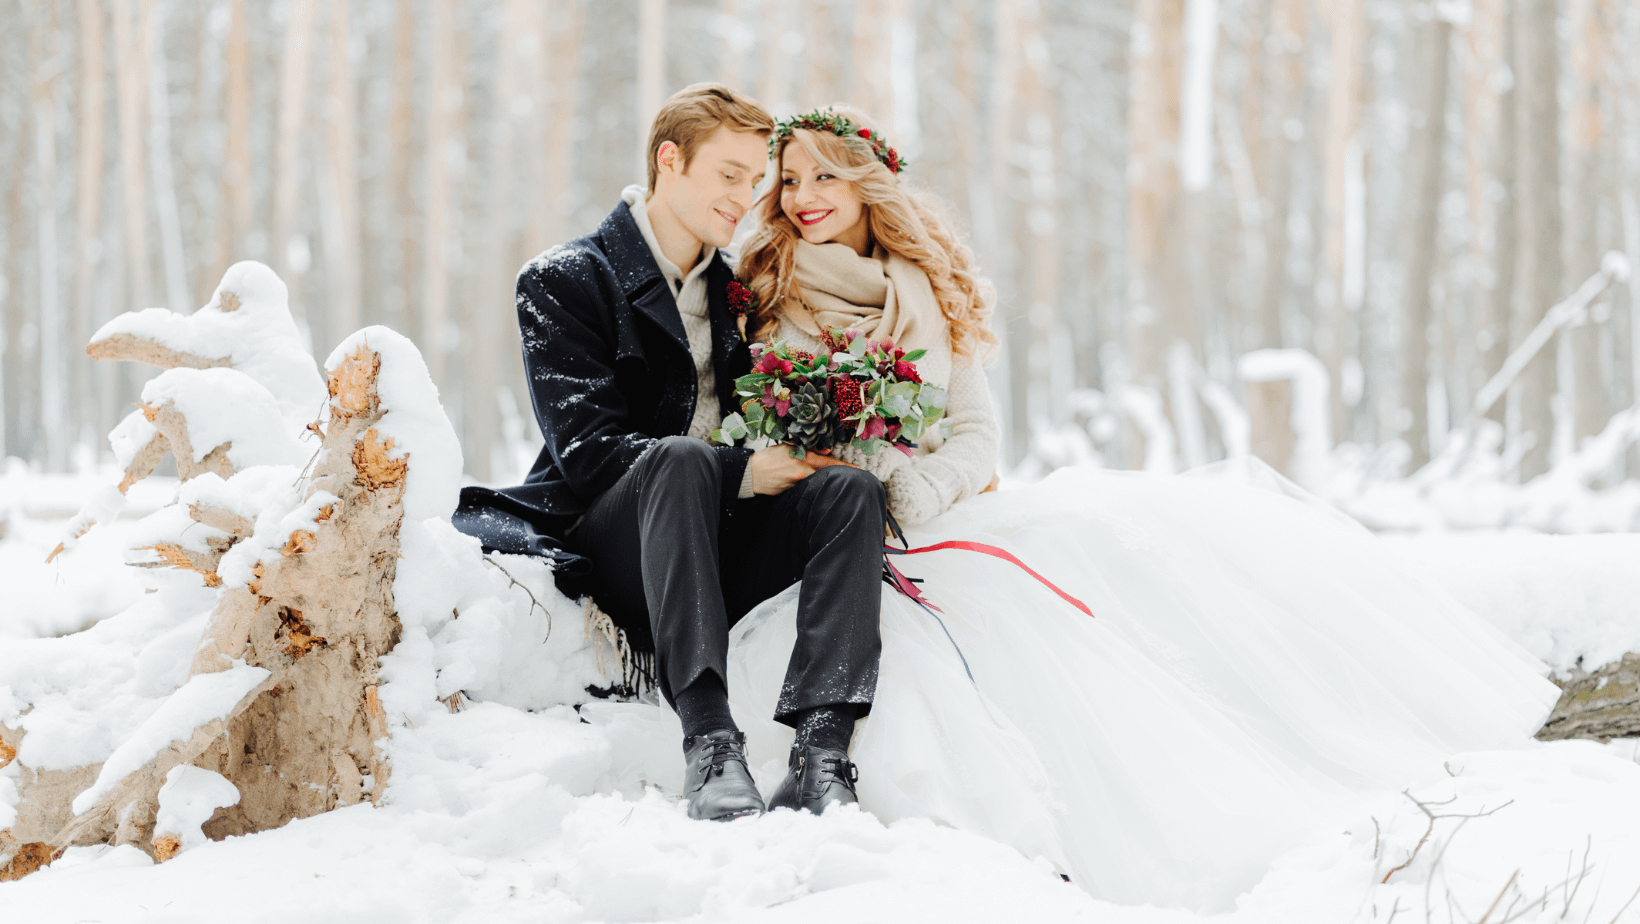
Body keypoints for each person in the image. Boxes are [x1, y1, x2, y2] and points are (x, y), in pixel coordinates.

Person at [725, 106, 1562, 909]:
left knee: (1079, 579)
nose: (803, 197)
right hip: (821, 528)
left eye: (826, 177)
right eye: (790, 179)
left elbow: (977, 435)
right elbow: (730, 423)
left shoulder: (927, 292)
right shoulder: (762, 290)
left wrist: (919, 487)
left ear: (871, 185)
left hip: (932, 515)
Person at [454, 85, 884, 823]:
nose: (745, 198)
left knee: (851, 493)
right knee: (680, 458)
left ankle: (821, 752)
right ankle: (712, 743)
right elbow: (589, 454)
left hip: (718, 542)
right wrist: (742, 471)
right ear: (669, 160)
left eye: (755, 181)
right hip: (618, 547)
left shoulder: (740, 294)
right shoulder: (565, 279)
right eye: (728, 174)